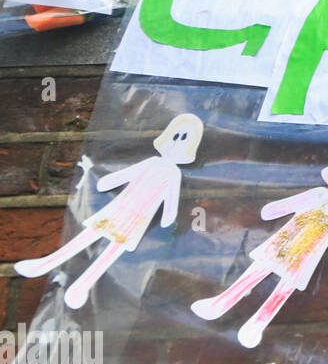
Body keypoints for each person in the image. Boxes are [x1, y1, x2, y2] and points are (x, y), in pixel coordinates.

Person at [191, 146, 328, 349]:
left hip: (306, 255)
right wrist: (272, 210)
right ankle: (221, 302)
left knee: (284, 289)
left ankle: (257, 325)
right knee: (256, 271)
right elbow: (291, 204)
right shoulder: (317, 194)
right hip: (285, 241)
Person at [15, 114, 204, 308]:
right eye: (175, 137)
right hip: (118, 210)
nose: (176, 144)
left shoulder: (173, 174)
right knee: (86, 237)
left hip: (137, 221)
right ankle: (46, 264)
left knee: (109, 254)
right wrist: (101, 179)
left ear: (190, 150)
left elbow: (170, 201)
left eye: (184, 140)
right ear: (166, 137)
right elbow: (122, 176)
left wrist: (169, 220)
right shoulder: (152, 163)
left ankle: (81, 287)